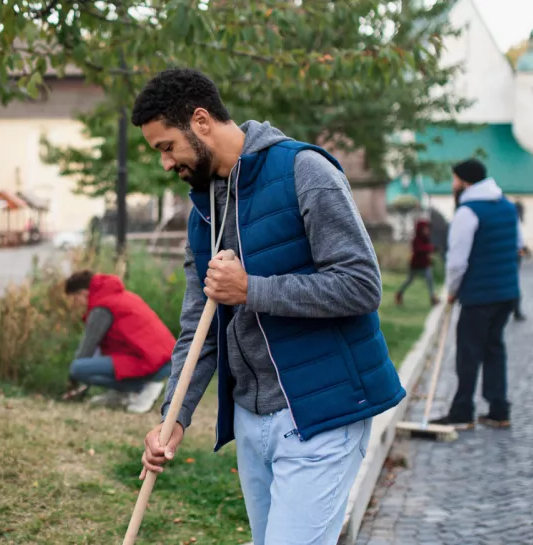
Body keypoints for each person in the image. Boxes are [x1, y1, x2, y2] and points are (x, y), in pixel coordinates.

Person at [130, 68, 405, 545]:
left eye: (166, 146)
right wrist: (174, 417)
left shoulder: (304, 171)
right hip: (251, 420)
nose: (165, 163)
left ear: (200, 121)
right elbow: (200, 328)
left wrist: (252, 289)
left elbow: (362, 285)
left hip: (322, 413)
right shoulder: (203, 214)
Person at [430, 159, 523, 431]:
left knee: (468, 353)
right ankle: (498, 409)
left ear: (464, 182)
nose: (452, 185)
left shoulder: (467, 212)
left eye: (454, 180)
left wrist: (451, 291)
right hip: (507, 293)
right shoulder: (507, 206)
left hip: (479, 295)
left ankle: (462, 412)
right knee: (494, 348)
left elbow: (457, 261)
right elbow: (519, 245)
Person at [61, 270, 175, 414]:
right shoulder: (121, 297)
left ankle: (142, 387)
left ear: (83, 293)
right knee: (94, 361)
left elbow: (86, 350)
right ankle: (123, 392)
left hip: (152, 360)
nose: (74, 305)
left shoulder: (101, 308)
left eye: (74, 299)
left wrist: (72, 382)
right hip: (166, 358)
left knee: (78, 368)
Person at [395, 218, 438, 306]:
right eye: (425, 228)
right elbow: (419, 249)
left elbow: (426, 249)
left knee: (430, 279)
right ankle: (399, 293)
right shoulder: (416, 239)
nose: (427, 230)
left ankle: (432, 297)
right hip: (415, 264)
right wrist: (431, 248)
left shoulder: (426, 238)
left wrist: (432, 250)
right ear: (421, 229)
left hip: (425, 264)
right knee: (410, 280)